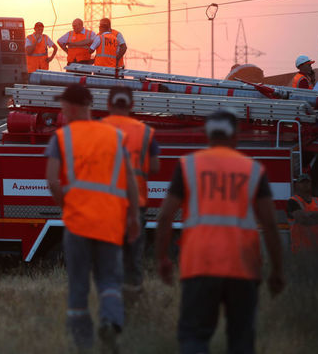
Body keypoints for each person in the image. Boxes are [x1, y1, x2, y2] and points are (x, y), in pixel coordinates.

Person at [155, 109, 285, 354]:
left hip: (200, 266)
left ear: (207, 134)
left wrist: (162, 259)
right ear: (236, 135)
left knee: (194, 337)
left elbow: (164, 217)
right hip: (243, 267)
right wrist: (277, 271)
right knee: (241, 340)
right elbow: (269, 224)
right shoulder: (253, 170)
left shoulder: (188, 166)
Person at [45, 84, 140, 353]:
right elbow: (130, 180)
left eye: (63, 105)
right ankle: (110, 323)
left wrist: (67, 206)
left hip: (77, 224)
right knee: (109, 281)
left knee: (78, 287)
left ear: (73, 107)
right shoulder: (113, 136)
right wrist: (133, 217)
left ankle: (82, 344)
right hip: (110, 223)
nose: (61, 110)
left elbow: (52, 180)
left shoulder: (62, 138)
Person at [102, 86, 160, 293]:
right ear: (132, 105)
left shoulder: (98, 129)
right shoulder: (145, 132)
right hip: (136, 206)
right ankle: (134, 301)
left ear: (108, 104)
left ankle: (110, 308)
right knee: (133, 259)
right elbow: (154, 167)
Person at [287, 173, 318, 254]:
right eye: (302, 182)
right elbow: (302, 220)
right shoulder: (292, 201)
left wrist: (308, 214)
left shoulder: (317, 200)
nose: (305, 184)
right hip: (300, 251)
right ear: (297, 185)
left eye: (307, 182)